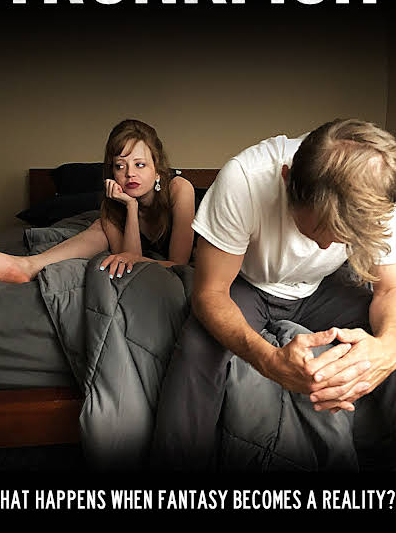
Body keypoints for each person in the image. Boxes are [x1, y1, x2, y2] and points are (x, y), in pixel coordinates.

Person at [152, 118, 396, 471]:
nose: (324, 247)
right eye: (316, 231)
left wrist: (387, 348)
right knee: (198, 350)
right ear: (286, 179)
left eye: (341, 238)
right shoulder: (245, 178)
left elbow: (388, 288)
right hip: (244, 283)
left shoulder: (378, 189)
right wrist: (269, 361)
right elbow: (210, 293)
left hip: (323, 287)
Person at [0, 119, 195, 282]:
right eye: (120, 166)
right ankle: (26, 266)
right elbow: (129, 259)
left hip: (177, 257)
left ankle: (25, 266)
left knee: (100, 226)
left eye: (140, 164)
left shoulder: (179, 189)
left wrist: (134, 252)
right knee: (99, 226)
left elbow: (177, 265)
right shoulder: (112, 204)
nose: (130, 174)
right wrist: (131, 206)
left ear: (157, 169)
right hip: (124, 228)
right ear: (111, 172)